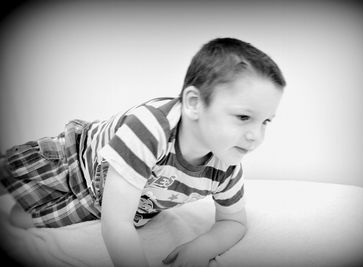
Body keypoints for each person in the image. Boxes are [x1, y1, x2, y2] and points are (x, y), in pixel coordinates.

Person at [0, 37, 286, 267]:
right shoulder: (151, 130)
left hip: (102, 200)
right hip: (76, 159)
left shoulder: (226, 167)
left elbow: (234, 221)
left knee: (19, 219)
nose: (256, 136)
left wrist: (201, 248)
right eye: (244, 117)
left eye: (266, 121)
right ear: (194, 104)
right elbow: (117, 225)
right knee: (8, 173)